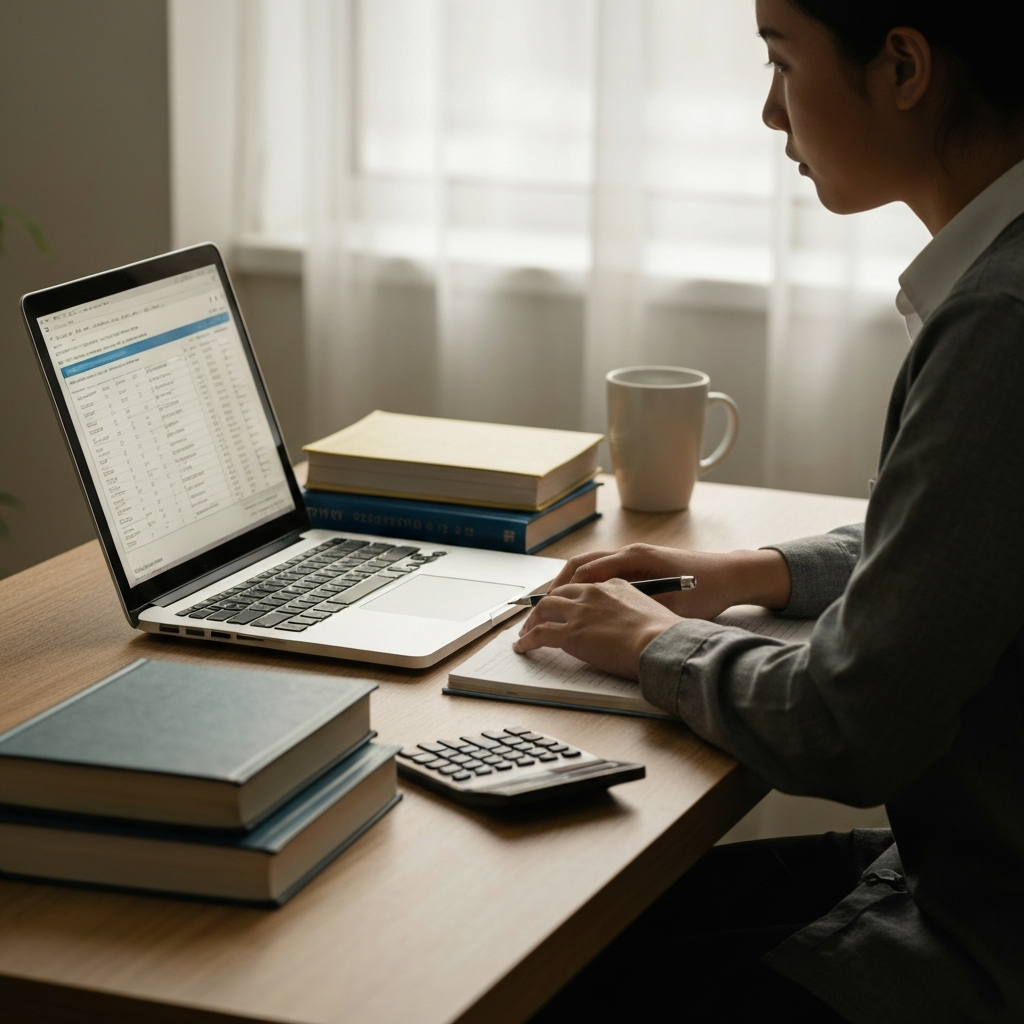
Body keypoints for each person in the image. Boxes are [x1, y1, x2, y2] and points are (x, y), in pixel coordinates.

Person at [521, 2, 1024, 1022]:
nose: (767, 111)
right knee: (592, 940)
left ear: (902, 67)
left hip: (988, 929)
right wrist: (756, 572)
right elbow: (962, 546)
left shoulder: (1001, 324)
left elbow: (845, 726)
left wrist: (653, 644)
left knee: (557, 970)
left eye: (782, 63)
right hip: (972, 873)